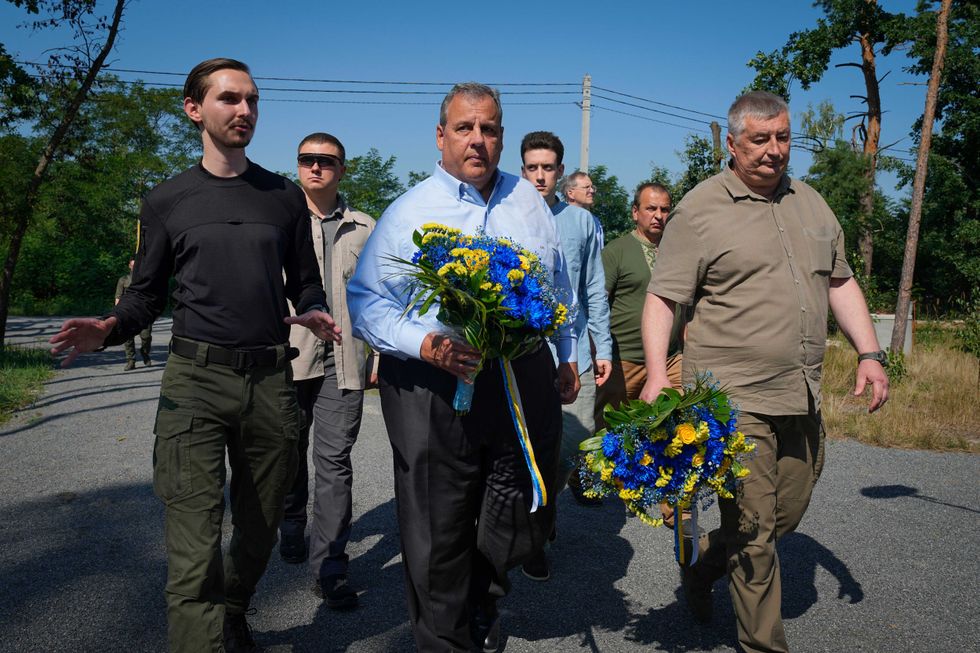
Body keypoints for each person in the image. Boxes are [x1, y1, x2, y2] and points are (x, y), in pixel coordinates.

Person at [49, 58, 340, 653]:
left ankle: (233, 609)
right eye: (230, 99)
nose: (245, 111)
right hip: (195, 383)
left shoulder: (283, 198)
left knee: (258, 534)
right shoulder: (166, 200)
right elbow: (145, 297)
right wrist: (107, 328)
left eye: (253, 100)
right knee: (193, 548)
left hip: (269, 381)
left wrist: (312, 307)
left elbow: (306, 281)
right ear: (194, 108)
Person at [639, 91, 889, 653]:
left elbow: (840, 281)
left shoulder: (812, 204)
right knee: (754, 535)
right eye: (760, 140)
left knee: (783, 517)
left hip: (800, 392)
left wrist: (870, 354)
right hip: (731, 397)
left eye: (783, 137)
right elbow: (663, 297)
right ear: (732, 144)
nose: (775, 151)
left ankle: (703, 569)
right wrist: (658, 374)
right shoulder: (700, 210)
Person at [347, 82, 579, 652]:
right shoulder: (410, 211)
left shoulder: (530, 202)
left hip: (520, 372)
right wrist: (425, 344)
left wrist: (569, 354)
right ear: (441, 135)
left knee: (525, 502)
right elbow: (365, 301)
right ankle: (445, 639)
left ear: (502, 136)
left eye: (490, 129)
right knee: (438, 527)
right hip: (432, 379)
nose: (478, 140)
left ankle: (483, 597)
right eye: (465, 128)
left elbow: (558, 285)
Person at [279, 131, 377, 612]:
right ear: (297, 165)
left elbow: (379, 299)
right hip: (288, 361)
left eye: (327, 161)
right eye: (307, 159)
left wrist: (376, 356)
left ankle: (330, 565)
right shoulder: (275, 219)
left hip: (345, 364)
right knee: (288, 453)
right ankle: (292, 521)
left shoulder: (365, 227)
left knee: (334, 466)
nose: (316, 167)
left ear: (342, 168)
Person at [519, 130, 612, 580]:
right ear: (523, 171)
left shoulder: (580, 222)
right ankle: (534, 534)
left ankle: (541, 513)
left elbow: (594, 288)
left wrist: (604, 345)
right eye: (532, 168)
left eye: (548, 168)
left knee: (572, 446)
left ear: (560, 171)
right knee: (524, 449)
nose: (540, 176)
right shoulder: (507, 214)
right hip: (522, 353)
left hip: (573, 351)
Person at [114, 258, 153, 371]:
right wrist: (117, 313)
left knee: (146, 336)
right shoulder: (124, 280)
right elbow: (118, 297)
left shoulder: (145, 279)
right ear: (129, 266)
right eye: (133, 265)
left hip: (144, 313)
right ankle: (131, 361)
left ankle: (145, 353)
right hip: (128, 313)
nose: (135, 267)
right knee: (128, 338)